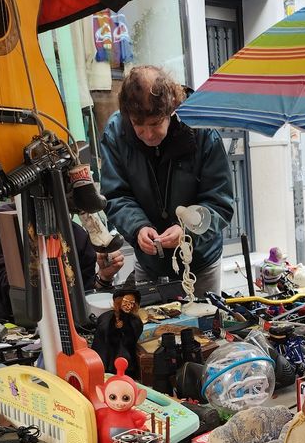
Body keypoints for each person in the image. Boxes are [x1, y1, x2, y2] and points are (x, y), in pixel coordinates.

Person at [100, 65, 234, 297]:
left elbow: (219, 202)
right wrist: (138, 227)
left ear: (171, 109)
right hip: (149, 261)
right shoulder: (116, 132)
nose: (148, 134)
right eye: (138, 126)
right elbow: (115, 195)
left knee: (204, 328)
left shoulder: (201, 131)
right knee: (151, 327)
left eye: (154, 124)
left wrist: (187, 232)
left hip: (200, 262)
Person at [0, 203, 124, 324]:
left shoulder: (78, 238)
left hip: (62, 327)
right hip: (8, 329)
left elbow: (84, 301)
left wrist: (104, 278)